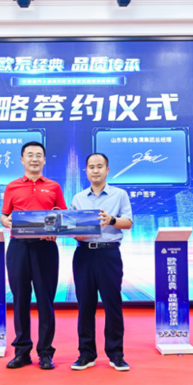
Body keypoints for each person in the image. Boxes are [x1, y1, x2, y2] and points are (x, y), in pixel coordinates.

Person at [0, 141, 67, 370]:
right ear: (22, 160)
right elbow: (4, 216)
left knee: (45, 301)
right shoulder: (12, 187)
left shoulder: (54, 187)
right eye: (30, 155)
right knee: (20, 300)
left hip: (45, 248)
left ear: (44, 160)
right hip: (18, 247)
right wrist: (6, 221)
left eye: (39, 155)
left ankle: (45, 353)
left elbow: (63, 216)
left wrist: (57, 229)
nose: (34, 159)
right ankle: (22, 352)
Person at [70, 153, 133, 372]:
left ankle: (116, 354)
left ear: (107, 170)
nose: (95, 170)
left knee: (112, 304)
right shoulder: (78, 198)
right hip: (84, 255)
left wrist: (111, 220)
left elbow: (128, 222)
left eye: (99, 166)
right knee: (85, 305)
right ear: (85, 171)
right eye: (91, 167)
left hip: (109, 254)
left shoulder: (119, 194)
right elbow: (73, 228)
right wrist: (76, 234)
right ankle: (86, 354)